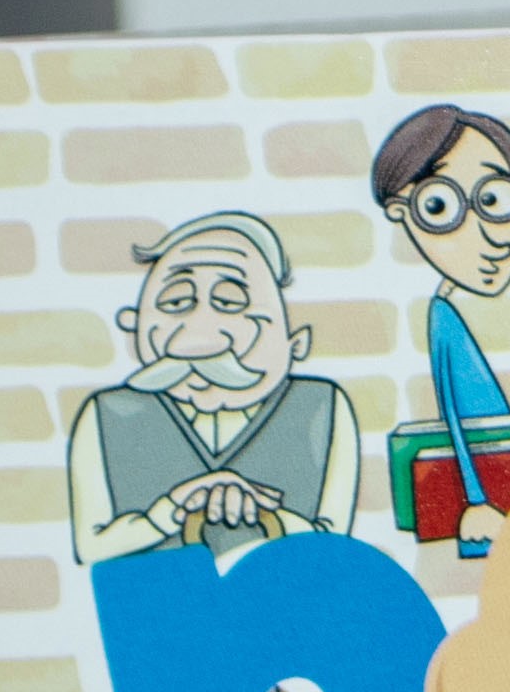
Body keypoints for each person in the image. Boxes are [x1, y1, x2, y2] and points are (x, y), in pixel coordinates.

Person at [64, 211, 360, 562]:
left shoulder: (323, 406)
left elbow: (336, 546)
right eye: (176, 302)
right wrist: (170, 511)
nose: (201, 327)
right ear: (135, 325)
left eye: (230, 302)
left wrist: (265, 514)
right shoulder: (106, 415)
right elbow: (91, 546)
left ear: (295, 343)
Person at [371, 101, 510, 554]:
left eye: (494, 200)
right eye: (440, 206)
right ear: (402, 213)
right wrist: (478, 501)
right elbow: (461, 425)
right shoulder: (444, 318)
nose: (487, 237)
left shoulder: (480, 314)